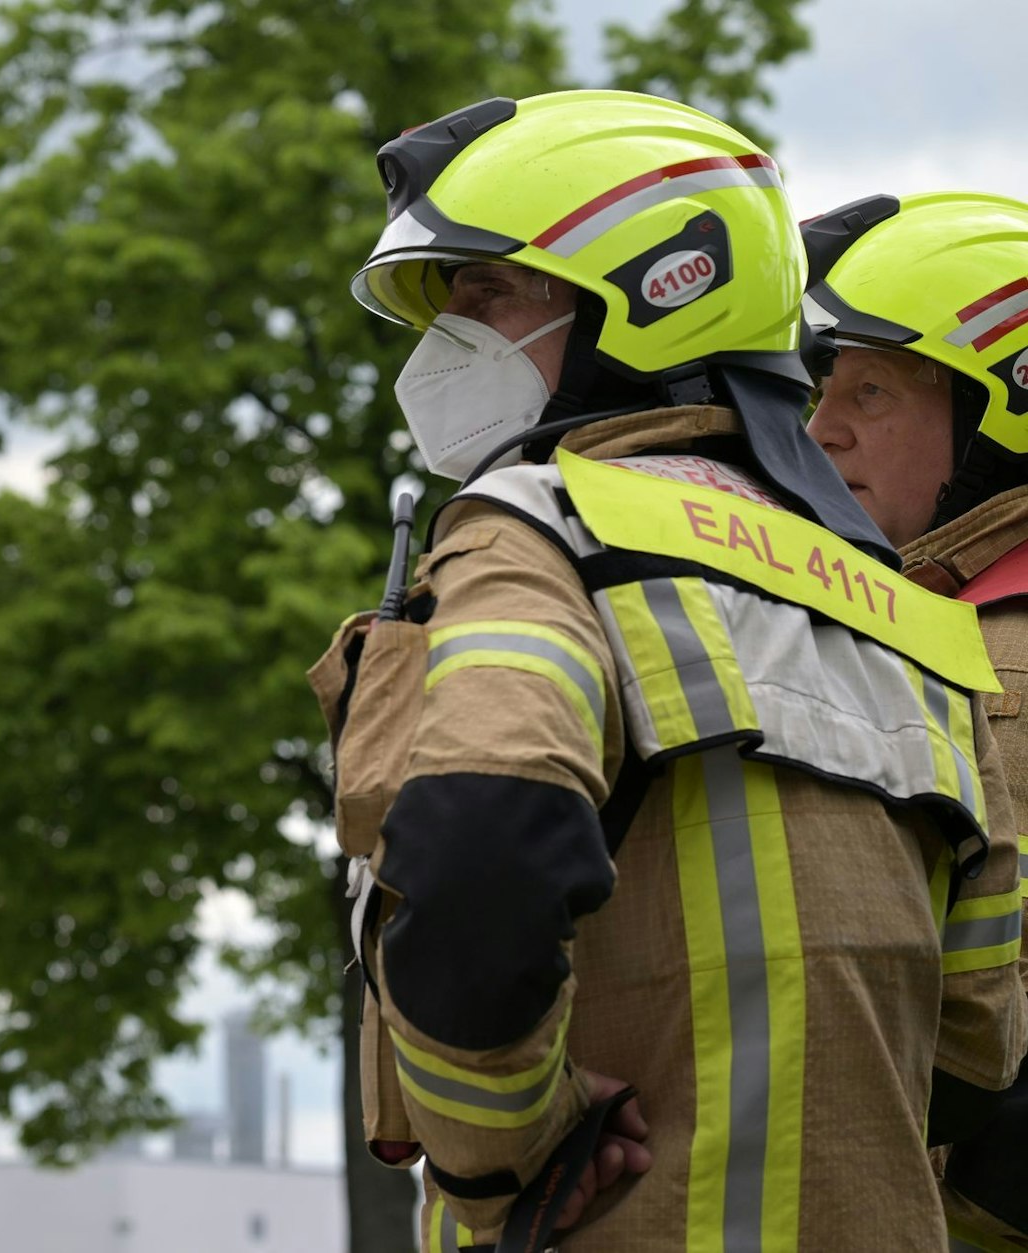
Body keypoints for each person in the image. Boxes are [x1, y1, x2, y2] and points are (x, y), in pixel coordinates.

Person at [315, 91, 1026, 1250]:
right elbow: (979, 1032)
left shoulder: (536, 533)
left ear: (652, 289)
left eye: (487, 290)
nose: (452, 335)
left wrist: (509, 1157)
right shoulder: (906, 609)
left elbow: (476, 849)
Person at [804, 190, 1028, 1252]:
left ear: (1002, 408)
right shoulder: (941, 614)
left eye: (871, 390)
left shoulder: (993, 653)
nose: (820, 428)